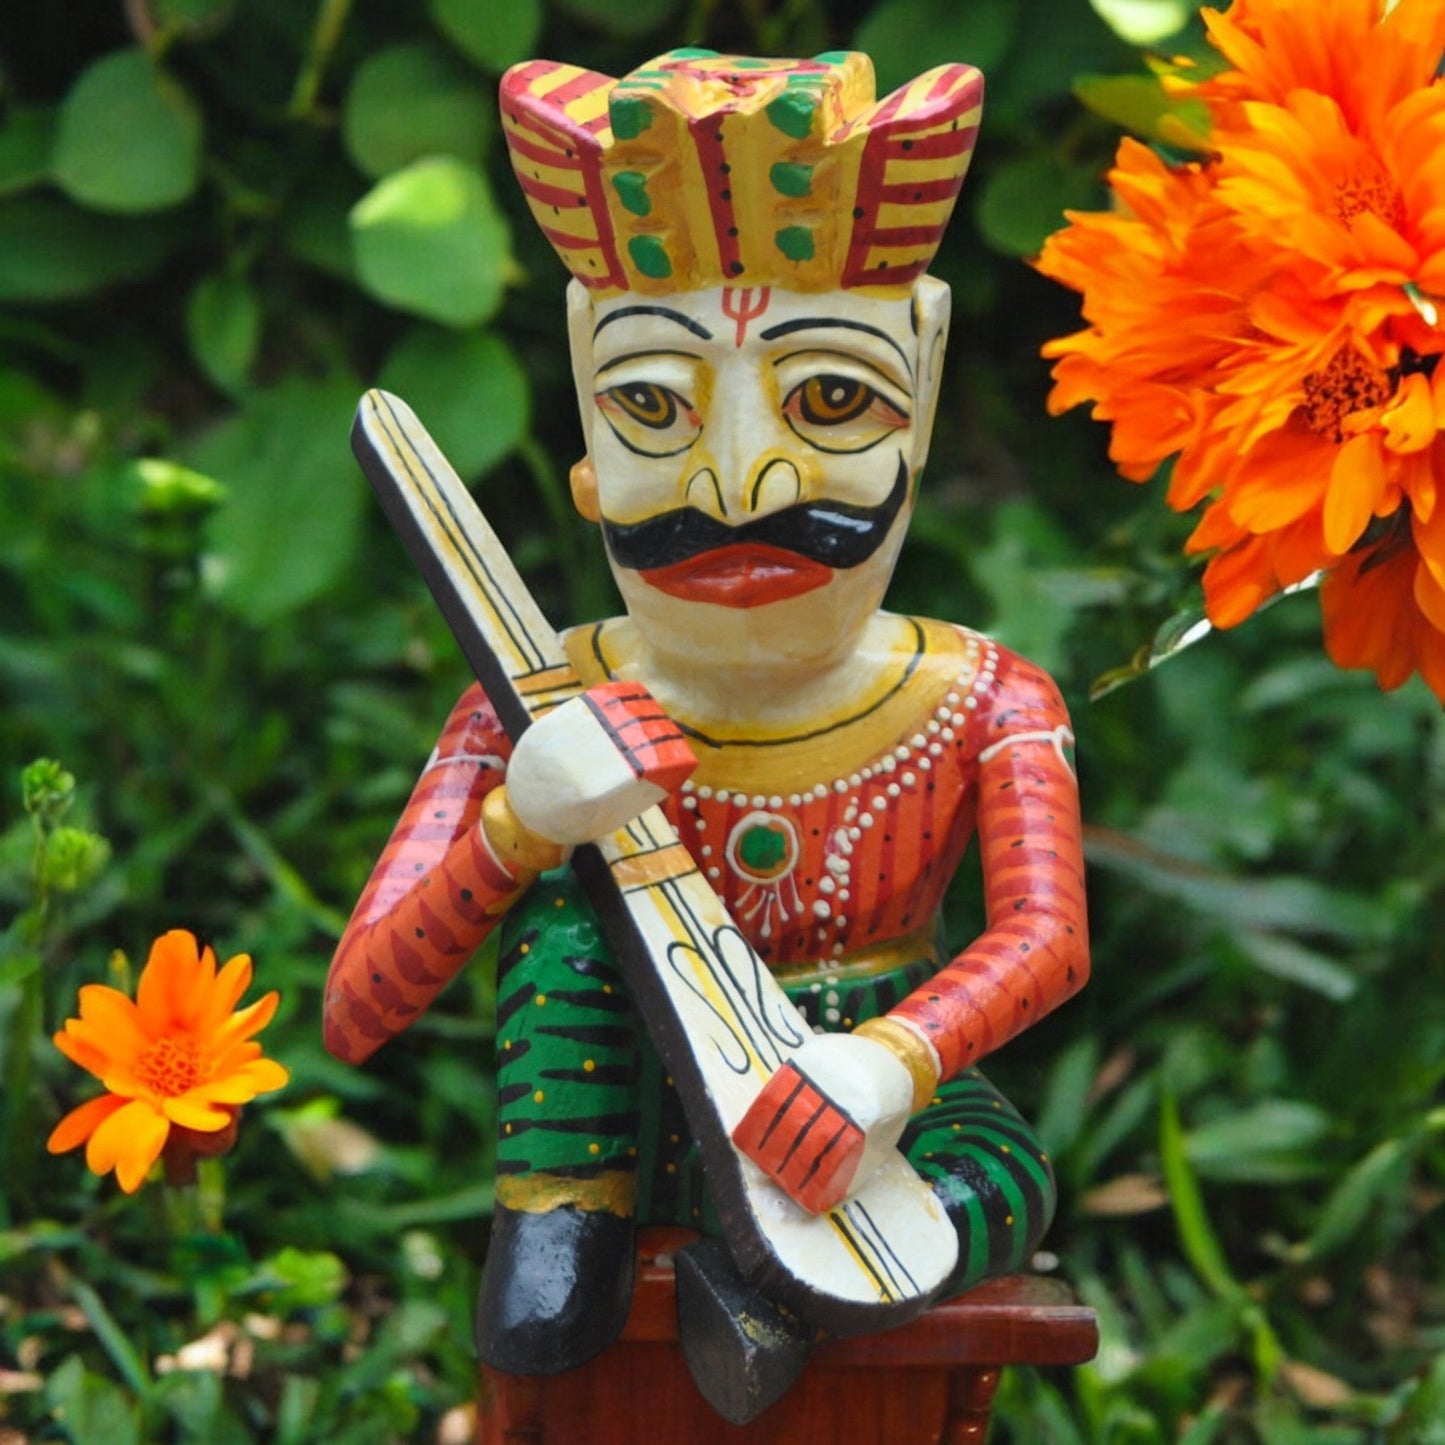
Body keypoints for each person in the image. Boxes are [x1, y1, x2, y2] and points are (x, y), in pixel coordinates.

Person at [323, 48, 1088, 1422]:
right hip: (628, 1116)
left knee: (1008, 1176)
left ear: (916, 407)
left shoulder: (985, 698)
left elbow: (1045, 937)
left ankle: (789, 1292)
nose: (740, 481)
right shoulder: (533, 701)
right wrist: (515, 826)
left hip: (870, 1107)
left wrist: (886, 1060)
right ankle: (558, 1223)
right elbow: (360, 1000)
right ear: (582, 446)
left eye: (830, 400)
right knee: (568, 932)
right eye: (655, 407)